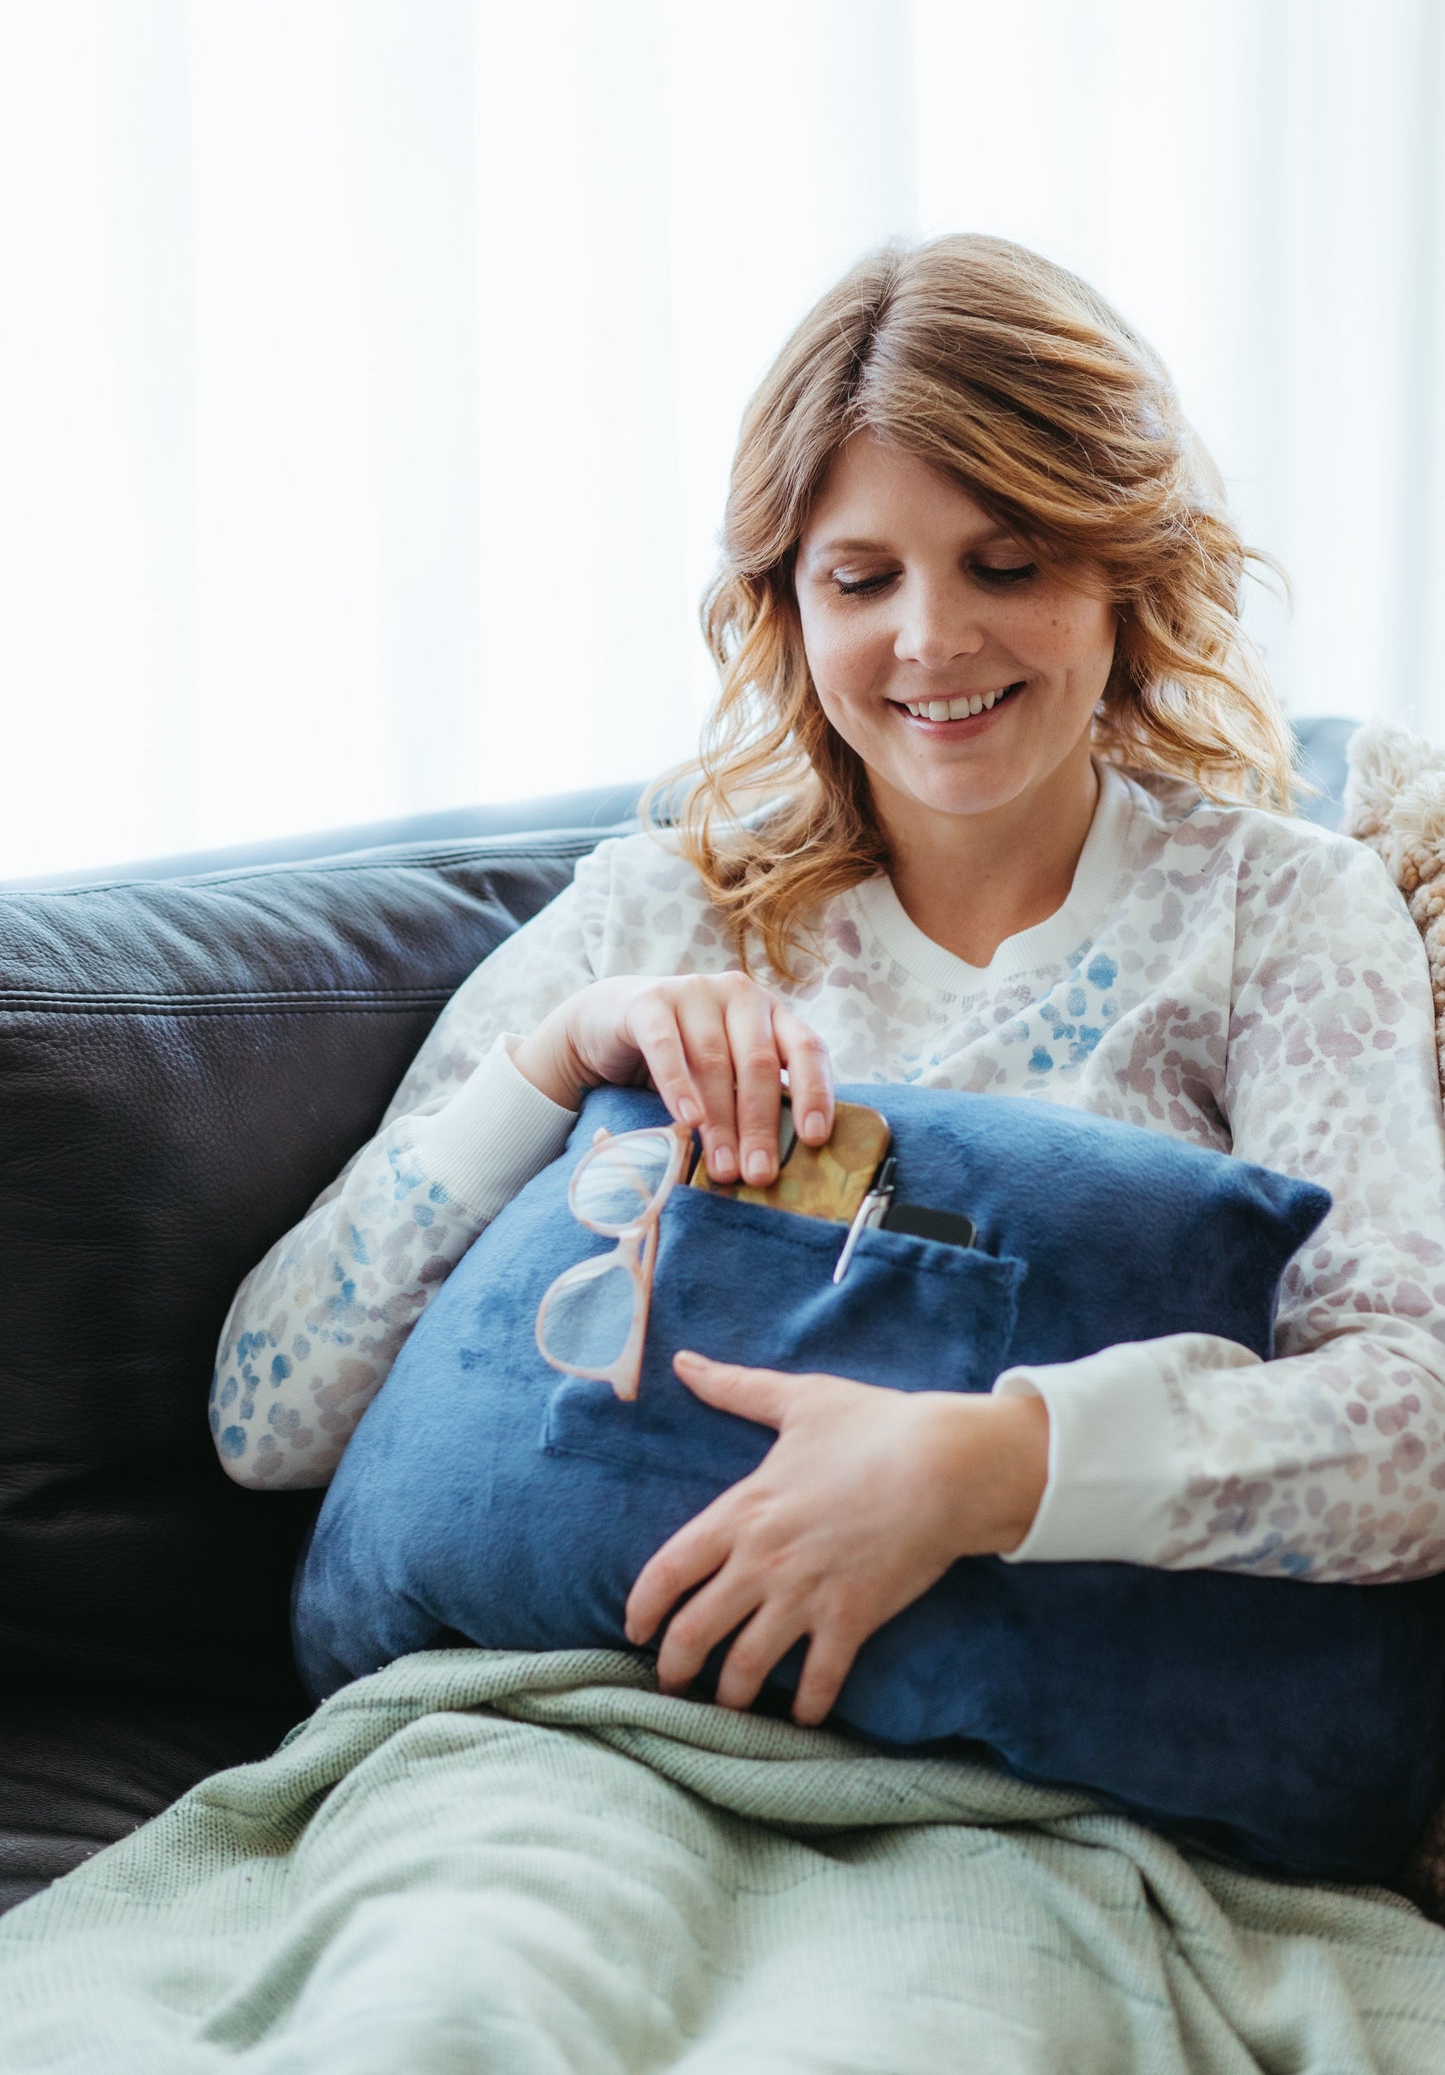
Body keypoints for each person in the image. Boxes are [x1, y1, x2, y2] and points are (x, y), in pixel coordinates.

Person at [211, 232, 1445, 1733]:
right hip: (575, 1748)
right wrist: (553, 1066)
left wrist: (975, 1470)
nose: (931, 640)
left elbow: (1415, 1430)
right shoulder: (658, 910)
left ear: (1127, 568)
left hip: (1038, 1793)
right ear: (786, 604)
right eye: (861, 578)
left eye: (1008, 564)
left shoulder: (1281, 910)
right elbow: (263, 1420)